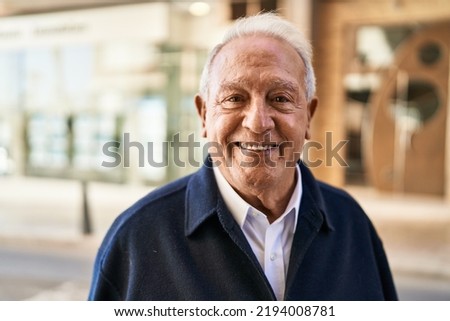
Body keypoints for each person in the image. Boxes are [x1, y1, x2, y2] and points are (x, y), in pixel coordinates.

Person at [88, 13, 398, 301]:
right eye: (235, 98)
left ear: (309, 117)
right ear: (204, 115)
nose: (257, 122)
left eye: (280, 98)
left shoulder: (352, 224)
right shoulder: (136, 240)